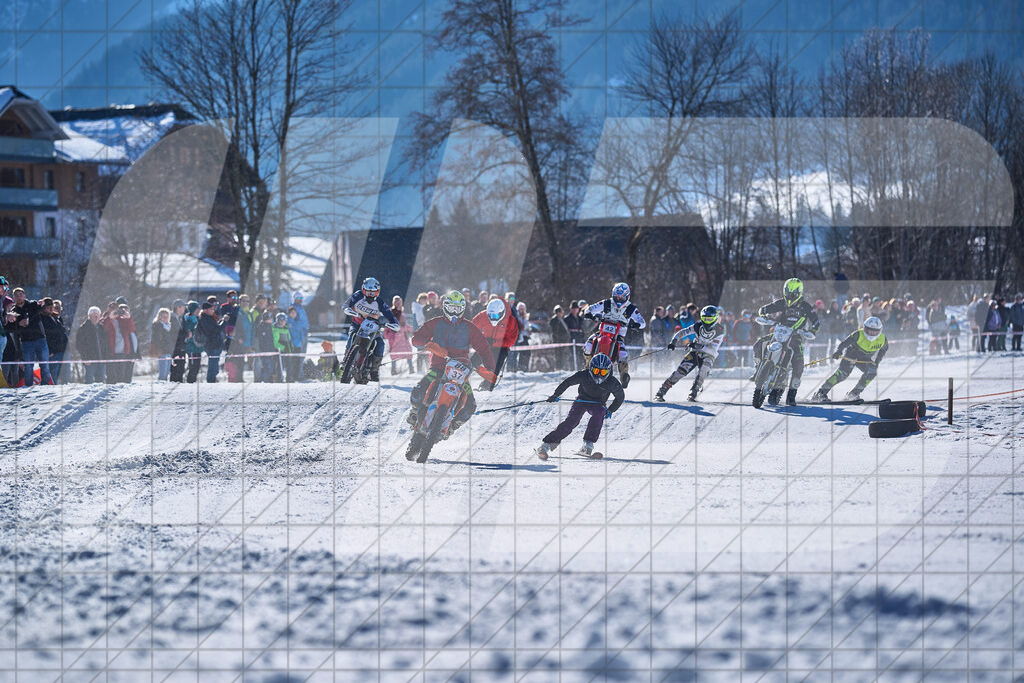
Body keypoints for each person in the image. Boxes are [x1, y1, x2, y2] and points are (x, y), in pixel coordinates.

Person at [407, 291, 497, 435]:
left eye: (458, 308)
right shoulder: (435, 323)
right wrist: (428, 344)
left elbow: (484, 348)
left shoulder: (469, 327)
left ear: (462, 309)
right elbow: (416, 338)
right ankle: (414, 412)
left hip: (461, 371)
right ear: (445, 307)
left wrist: (491, 368)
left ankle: (451, 428)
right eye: (451, 308)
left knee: (470, 406)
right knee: (417, 394)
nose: (454, 312)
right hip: (439, 367)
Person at [534, 354, 624, 460]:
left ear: (608, 372)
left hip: (598, 403)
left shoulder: (612, 382)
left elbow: (620, 397)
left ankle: (587, 446)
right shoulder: (584, 375)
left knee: (599, 414)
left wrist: (610, 410)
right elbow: (567, 382)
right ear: (591, 369)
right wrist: (556, 395)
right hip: (582, 400)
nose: (599, 374)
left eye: (603, 372)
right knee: (571, 422)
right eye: (596, 371)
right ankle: (546, 445)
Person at [751, 278, 820, 406]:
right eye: (788, 293)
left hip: (795, 336)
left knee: (799, 365)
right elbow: (764, 309)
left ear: (799, 293)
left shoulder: (805, 306)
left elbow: (816, 321)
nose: (790, 296)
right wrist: (764, 315)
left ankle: (791, 395)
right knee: (758, 345)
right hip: (779, 333)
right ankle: (758, 370)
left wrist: (812, 330)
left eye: (792, 294)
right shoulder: (781, 303)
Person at [654, 305, 726, 402]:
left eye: (709, 319)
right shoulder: (698, 325)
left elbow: (713, 350)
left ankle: (694, 392)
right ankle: (661, 392)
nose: (707, 322)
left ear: (715, 318)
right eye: (705, 319)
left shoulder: (720, 331)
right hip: (695, 352)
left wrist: (698, 346)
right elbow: (682, 332)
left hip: (708, 354)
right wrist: (673, 342)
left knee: (704, 370)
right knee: (681, 371)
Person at [581, 282, 646, 388]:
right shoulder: (606, 303)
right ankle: (588, 366)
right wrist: (590, 314)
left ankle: (624, 376)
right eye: (617, 297)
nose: (619, 299)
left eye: (621, 297)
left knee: (623, 354)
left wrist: (636, 324)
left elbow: (643, 322)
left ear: (627, 296)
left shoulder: (631, 308)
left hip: (618, 336)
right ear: (613, 295)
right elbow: (590, 308)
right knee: (588, 345)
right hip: (602, 332)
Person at [811, 316, 888, 402]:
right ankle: (820, 393)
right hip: (851, 355)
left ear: (880, 331)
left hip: (864, 358)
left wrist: (877, 362)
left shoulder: (883, 339)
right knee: (842, 374)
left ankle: (854, 394)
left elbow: (883, 350)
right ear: (864, 328)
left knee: (872, 371)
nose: (871, 333)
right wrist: (838, 351)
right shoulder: (858, 334)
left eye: (874, 332)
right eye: (868, 330)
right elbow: (844, 343)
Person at [341, 277, 400, 382]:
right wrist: (347, 309)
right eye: (367, 292)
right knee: (352, 335)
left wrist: (394, 323)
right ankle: (346, 359)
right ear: (363, 290)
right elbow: (347, 304)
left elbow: (389, 315)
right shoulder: (358, 295)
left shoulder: (380, 302)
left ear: (377, 292)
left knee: (380, 343)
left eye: (372, 293)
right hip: (357, 324)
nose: (369, 295)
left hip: (373, 328)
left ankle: (374, 370)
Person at [471, 297, 519, 390]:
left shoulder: (510, 321)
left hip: (501, 347)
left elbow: (512, 339)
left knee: (494, 367)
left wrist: (497, 342)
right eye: (490, 316)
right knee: (472, 362)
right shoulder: (483, 316)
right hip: (485, 344)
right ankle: (460, 380)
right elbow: (471, 328)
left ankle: (486, 386)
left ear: (501, 313)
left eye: (495, 316)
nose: (492, 319)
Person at [9, 288, 51, 386]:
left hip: (40, 339)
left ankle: (45, 386)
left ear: (24, 295)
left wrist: (43, 303)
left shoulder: (32, 304)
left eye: (20, 294)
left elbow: (42, 307)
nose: (19, 297)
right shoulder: (13, 311)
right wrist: (19, 323)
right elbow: (11, 328)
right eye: (16, 296)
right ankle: (28, 387)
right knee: (28, 366)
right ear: (14, 298)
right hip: (26, 342)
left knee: (44, 364)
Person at [383, 295, 415, 374]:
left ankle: (411, 368)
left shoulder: (401, 312)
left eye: (399, 302)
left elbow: (404, 324)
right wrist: (387, 334)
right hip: (395, 335)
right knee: (395, 353)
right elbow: (388, 323)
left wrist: (411, 329)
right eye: (396, 302)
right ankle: (394, 369)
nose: (398, 303)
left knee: (407, 352)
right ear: (394, 302)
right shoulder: (391, 312)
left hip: (403, 336)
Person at [76, 306, 108, 383]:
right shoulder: (83, 328)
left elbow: (106, 344)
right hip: (89, 361)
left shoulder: (102, 328)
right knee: (89, 381)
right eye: (94, 315)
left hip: (101, 360)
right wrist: (85, 358)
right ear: (89, 316)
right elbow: (79, 345)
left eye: (97, 315)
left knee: (100, 382)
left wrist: (106, 357)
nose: (96, 317)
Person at [196, 301, 225, 382]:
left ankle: (213, 380)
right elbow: (215, 330)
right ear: (205, 310)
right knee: (213, 366)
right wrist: (224, 322)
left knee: (215, 366)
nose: (213, 310)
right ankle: (210, 381)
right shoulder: (204, 319)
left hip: (216, 345)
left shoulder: (210, 318)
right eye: (211, 309)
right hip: (212, 345)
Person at [41, 298, 69, 383]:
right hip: (53, 351)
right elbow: (47, 336)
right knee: (53, 374)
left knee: (63, 374)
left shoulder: (57, 318)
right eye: (48, 307)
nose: (51, 309)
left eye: (51, 307)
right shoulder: (43, 319)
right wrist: (50, 350)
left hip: (62, 349)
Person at [150, 308, 175, 381]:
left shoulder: (169, 326)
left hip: (169, 351)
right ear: (159, 317)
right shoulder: (157, 326)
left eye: (167, 317)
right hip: (162, 351)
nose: (165, 318)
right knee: (162, 373)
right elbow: (157, 339)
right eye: (163, 316)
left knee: (167, 373)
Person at [169, 299, 187, 382]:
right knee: (175, 370)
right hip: (175, 348)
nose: (184, 309)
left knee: (181, 368)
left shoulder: (180, 319)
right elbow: (174, 334)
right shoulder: (171, 318)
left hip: (181, 347)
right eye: (183, 307)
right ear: (178, 308)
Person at [272, 312, 294, 381]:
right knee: (280, 365)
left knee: (289, 365)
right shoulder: (275, 329)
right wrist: (283, 348)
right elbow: (275, 342)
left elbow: (289, 339)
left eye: (283, 320)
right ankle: (279, 378)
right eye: (280, 320)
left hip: (288, 350)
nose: (282, 322)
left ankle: (289, 378)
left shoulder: (286, 328)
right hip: (281, 350)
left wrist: (291, 346)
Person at [549, 305, 571, 370]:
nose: (562, 313)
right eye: (561, 312)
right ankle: (559, 369)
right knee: (559, 356)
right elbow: (555, 332)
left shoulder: (561, 319)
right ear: (558, 312)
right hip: (559, 341)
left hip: (564, 341)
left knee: (563, 356)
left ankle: (563, 368)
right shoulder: (555, 320)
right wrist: (561, 338)